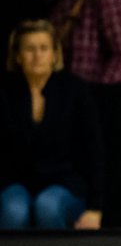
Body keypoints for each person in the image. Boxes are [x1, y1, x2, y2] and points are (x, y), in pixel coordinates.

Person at [1, 19, 104, 229]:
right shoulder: (5, 92)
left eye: (44, 48)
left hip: (63, 182)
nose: (37, 55)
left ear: (55, 54)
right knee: (14, 210)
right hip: (15, 181)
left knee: (47, 207)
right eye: (30, 49)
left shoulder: (74, 90)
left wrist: (95, 208)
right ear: (18, 56)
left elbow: (94, 150)